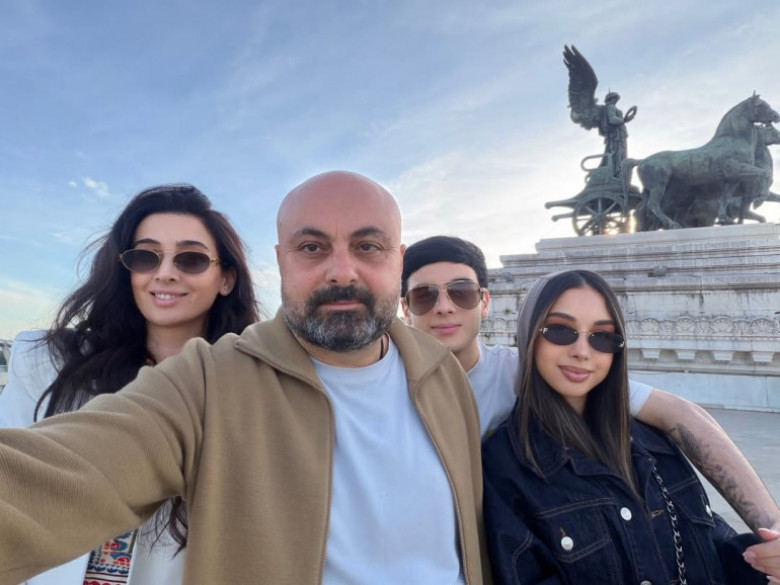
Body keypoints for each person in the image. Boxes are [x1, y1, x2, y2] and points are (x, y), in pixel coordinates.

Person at [0, 171, 489, 585]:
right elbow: (53, 477)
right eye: (312, 247)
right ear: (280, 261)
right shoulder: (208, 380)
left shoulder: (441, 373)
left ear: (398, 258)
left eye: (368, 246)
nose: (342, 271)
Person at [400, 235, 780, 569]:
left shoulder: (528, 370)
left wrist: (771, 529)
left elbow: (681, 415)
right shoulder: (383, 391)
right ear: (405, 308)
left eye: (461, 292)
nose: (444, 306)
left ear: (484, 301)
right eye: (424, 295)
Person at [0, 183, 259, 585]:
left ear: (226, 278)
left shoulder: (251, 391)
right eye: (145, 257)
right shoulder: (45, 363)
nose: (165, 272)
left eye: (191, 259)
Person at [481, 269, 767, 583]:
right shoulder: (503, 465)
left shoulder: (653, 440)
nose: (582, 352)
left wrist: (763, 561)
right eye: (560, 330)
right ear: (528, 335)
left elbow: (708, 547)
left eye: (602, 336)